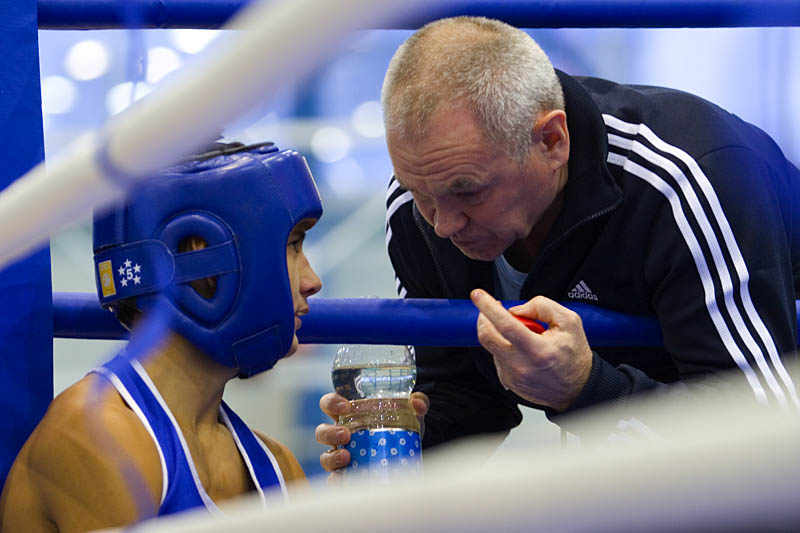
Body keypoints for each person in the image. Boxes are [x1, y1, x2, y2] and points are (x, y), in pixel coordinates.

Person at [317, 16, 800, 470]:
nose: (444, 224)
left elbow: (763, 436)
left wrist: (587, 388)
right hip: (637, 459)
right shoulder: (416, 203)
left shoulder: (684, 178)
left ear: (552, 141)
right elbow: (467, 394)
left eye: (469, 192)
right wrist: (412, 441)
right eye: (422, 192)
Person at [0, 142, 323, 531]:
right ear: (205, 258)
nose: (312, 281)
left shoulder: (277, 467)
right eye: (293, 245)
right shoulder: (96, 437)